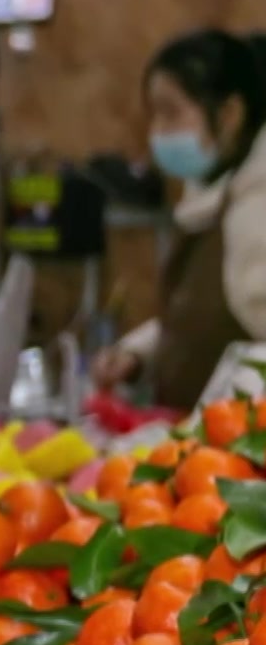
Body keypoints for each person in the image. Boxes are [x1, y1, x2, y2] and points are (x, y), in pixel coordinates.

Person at [93, 29, 266, 409]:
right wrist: (137, 354)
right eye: (154, 115)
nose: (157, 132)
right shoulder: (215, 199)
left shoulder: (256, 212)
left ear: (230, 115)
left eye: (171, 113)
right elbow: (202, 324)